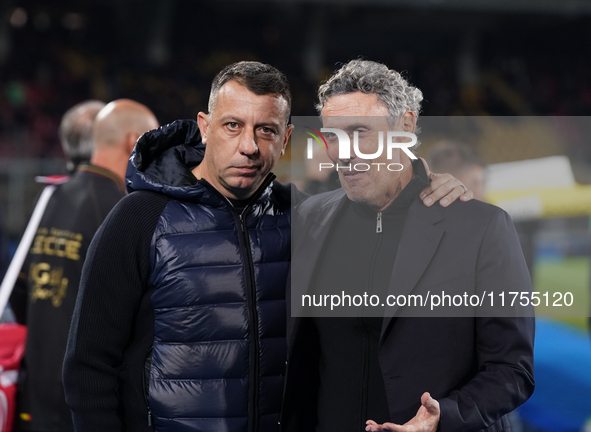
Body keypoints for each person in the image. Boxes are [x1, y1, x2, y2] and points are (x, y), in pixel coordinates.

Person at [62, 61, 470, 432]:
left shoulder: (308, 218)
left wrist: (427, 185)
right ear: (204, 127)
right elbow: (88, 365)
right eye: (232, 126)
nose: (250, 147)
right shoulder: (138, 218)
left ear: (286, 137)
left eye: (266, 130)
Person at [283, 60, 535, 432]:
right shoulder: (308, 218)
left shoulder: (481, 227)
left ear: (404, 128)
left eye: (360, 132)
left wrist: (441, 419)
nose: (344, 152)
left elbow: (512, 370)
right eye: (333, 136)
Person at [9, 99, 158, 432]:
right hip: (87, 404)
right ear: (133, 141)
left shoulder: (49, 196)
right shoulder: (123, 212)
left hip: (35, 395)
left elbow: (20, 291)